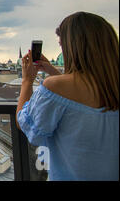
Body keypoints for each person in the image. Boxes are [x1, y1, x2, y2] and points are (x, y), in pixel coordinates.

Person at [16, 11, 119, 181]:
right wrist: (53, 72)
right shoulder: (112, 86)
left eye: (61, 45)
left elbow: (25, 123)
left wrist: (27, 81)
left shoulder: (56, 87)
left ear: (73, 47)